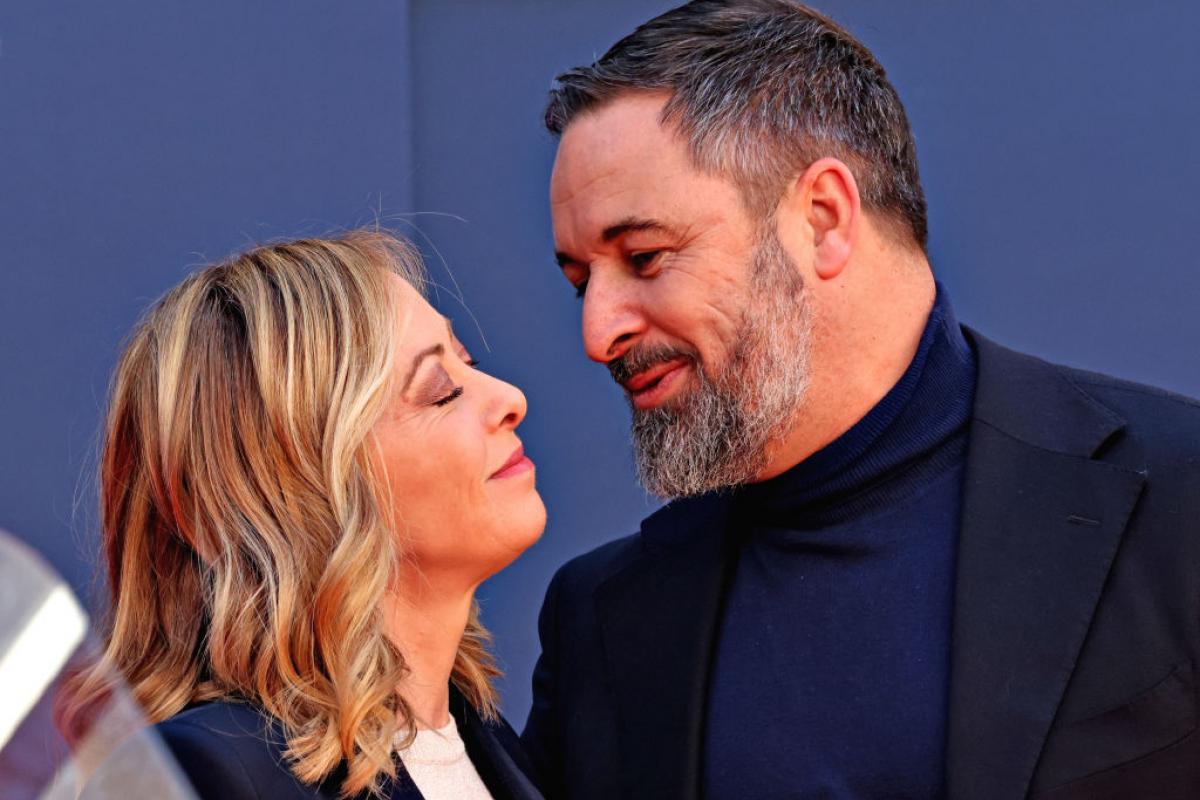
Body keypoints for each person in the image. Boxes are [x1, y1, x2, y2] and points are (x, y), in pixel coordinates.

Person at [522, 2, 1200, 799]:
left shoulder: (1180, 501)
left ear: (823, 219)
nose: (598, 332)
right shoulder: (601, 621)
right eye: (581, 284)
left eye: (644, 257)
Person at [59, 231, 546, 800]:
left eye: (468, 362)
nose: (511, 397)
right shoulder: (211, 773)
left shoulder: (489, 743)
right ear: (284, 495)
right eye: (440, 392)